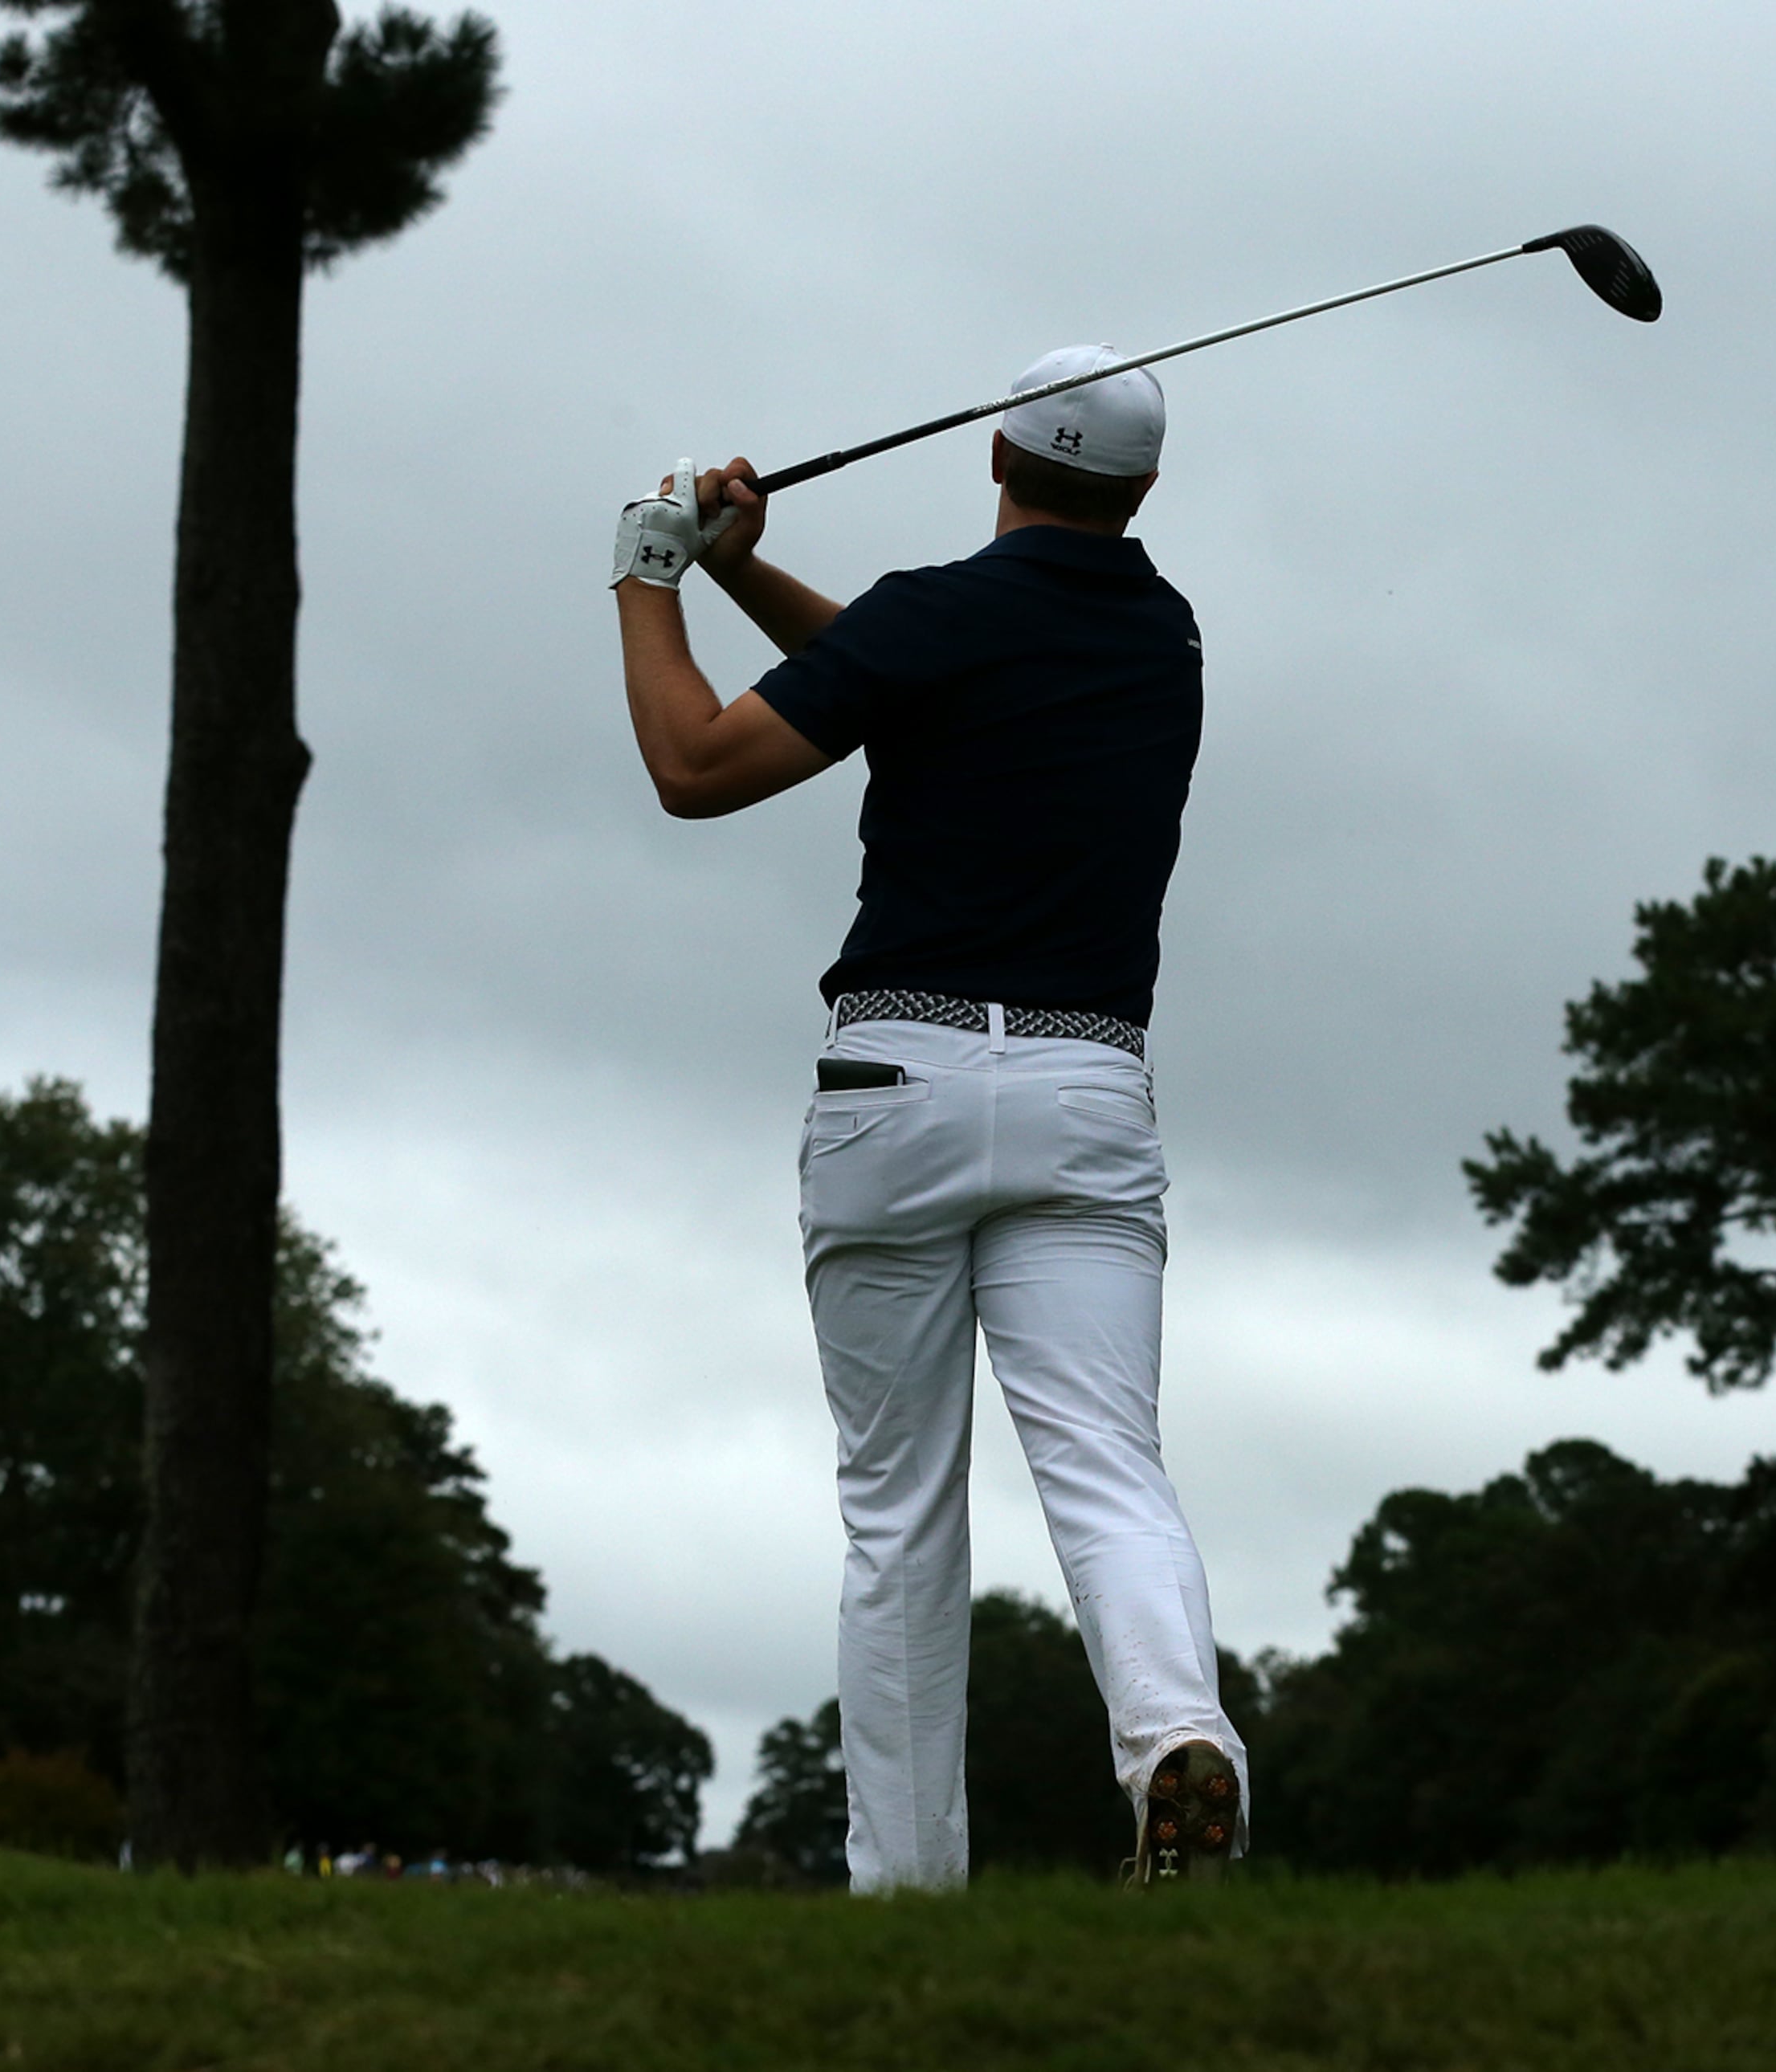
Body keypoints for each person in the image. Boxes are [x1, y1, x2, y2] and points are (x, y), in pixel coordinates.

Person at [607, 349, 1247, 1892]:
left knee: (900, 1512)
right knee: (1108, 1462)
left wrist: (651, 576)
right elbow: (897, 677)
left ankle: (905, 1895)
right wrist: (751, 577)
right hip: (1089, 1095)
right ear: (1143, 488)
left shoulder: (940, 615)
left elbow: (698, 770)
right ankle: (1177, 1738)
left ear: (995, 459)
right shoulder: (1164, 639)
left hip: (896, 1087)